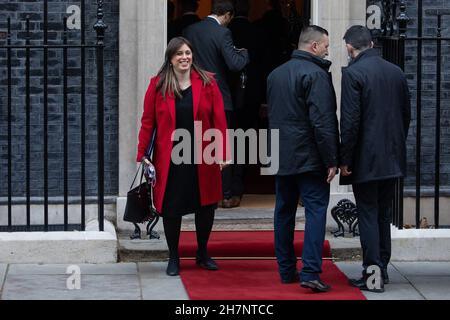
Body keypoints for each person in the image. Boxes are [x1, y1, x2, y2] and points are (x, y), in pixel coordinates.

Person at [136, 37, 230, 277]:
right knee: (171, 207)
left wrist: (223, 152)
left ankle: (202, 253)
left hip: (203, 155)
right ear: (170, 58)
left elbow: (219, 120)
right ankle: (174, 256)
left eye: (187, 53)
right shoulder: (157, 85)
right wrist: (142, 153)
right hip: (170, 158)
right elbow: (148, 122)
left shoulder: (208, 82)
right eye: (179, 54)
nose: (185, 57)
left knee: (206, 205)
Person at [267, 26, 339, 293]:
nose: (328, 50)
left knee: (283, 212)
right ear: (314, 46)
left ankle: (286, 270)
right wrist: (331, 158)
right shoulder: (316, 75)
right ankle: (310, 271)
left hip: (280, 154)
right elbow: (323, 121)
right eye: (326, 46)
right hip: (309, 156)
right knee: (316, 210)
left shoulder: (275, 75)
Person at [339, 25, 411, 293]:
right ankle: (382, 270)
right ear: (371, 44)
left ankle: (373, 277)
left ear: (350, 47)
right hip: (392, 158)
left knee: (368, 216)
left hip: (366, 160)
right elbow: (406, 116)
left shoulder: (354, 73)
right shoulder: (396, 72)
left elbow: (350, 122)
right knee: (382, 215)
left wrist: (345, 158)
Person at [184, 0, 249, 208]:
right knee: (222, 147)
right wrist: (244, 52)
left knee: (194, 145)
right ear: (228, 15)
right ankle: (225, 195)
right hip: (219, 98)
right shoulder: (223, 33)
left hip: (193, 97)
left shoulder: (189, 30)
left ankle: (196, 193)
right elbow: (234, 63)